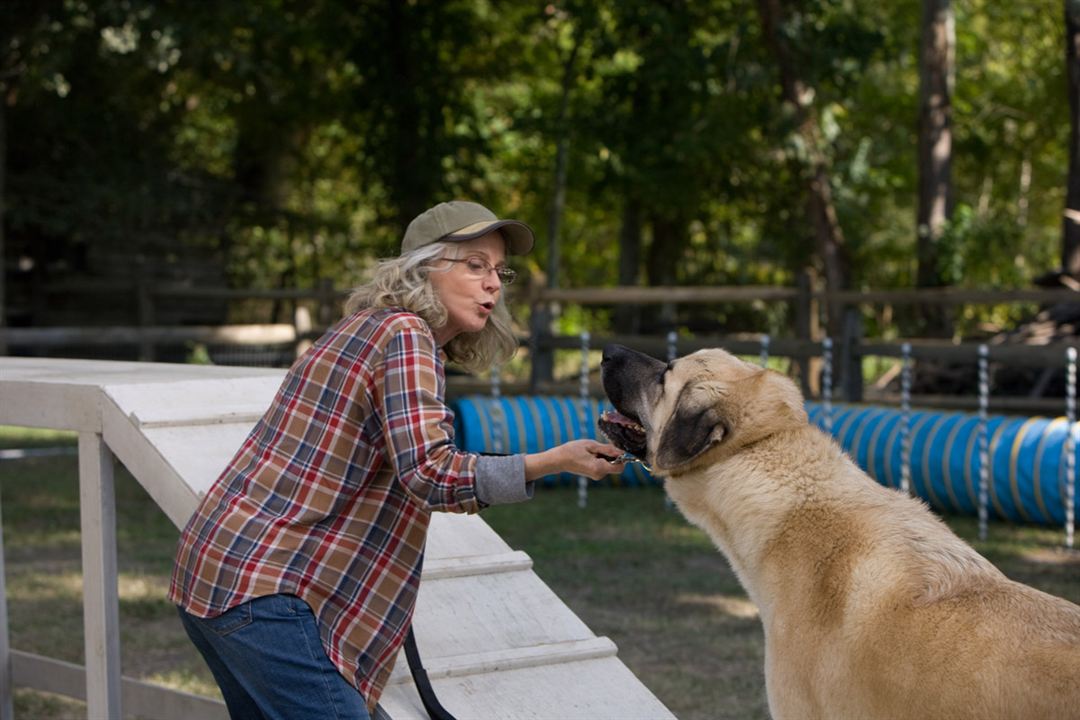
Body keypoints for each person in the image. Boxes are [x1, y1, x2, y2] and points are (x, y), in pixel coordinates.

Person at [169, 200, 626, 720]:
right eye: (475, 265)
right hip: (266, 591)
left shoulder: (367, 327)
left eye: (500, 270)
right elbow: (430, 473)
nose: (494, 284)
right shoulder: (407, 337)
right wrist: (551, 461)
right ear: (423, 268)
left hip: (219, 574)